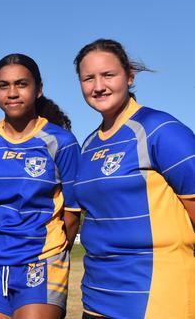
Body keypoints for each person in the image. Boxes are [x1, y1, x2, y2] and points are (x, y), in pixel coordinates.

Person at [72, 39, 195, 319]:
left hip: (157, 293)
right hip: (97, 295)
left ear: (129, 76)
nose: (98, 86)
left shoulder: (160, 130)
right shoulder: (89, 144)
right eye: (88, 78)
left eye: (108, 75)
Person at [0, 53, 80, 319]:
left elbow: (73, 213)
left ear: (39, 89)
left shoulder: (60, 141)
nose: (12, 92)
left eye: (21, 84)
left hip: (41, 259)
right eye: (3, 85)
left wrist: (54, 252)